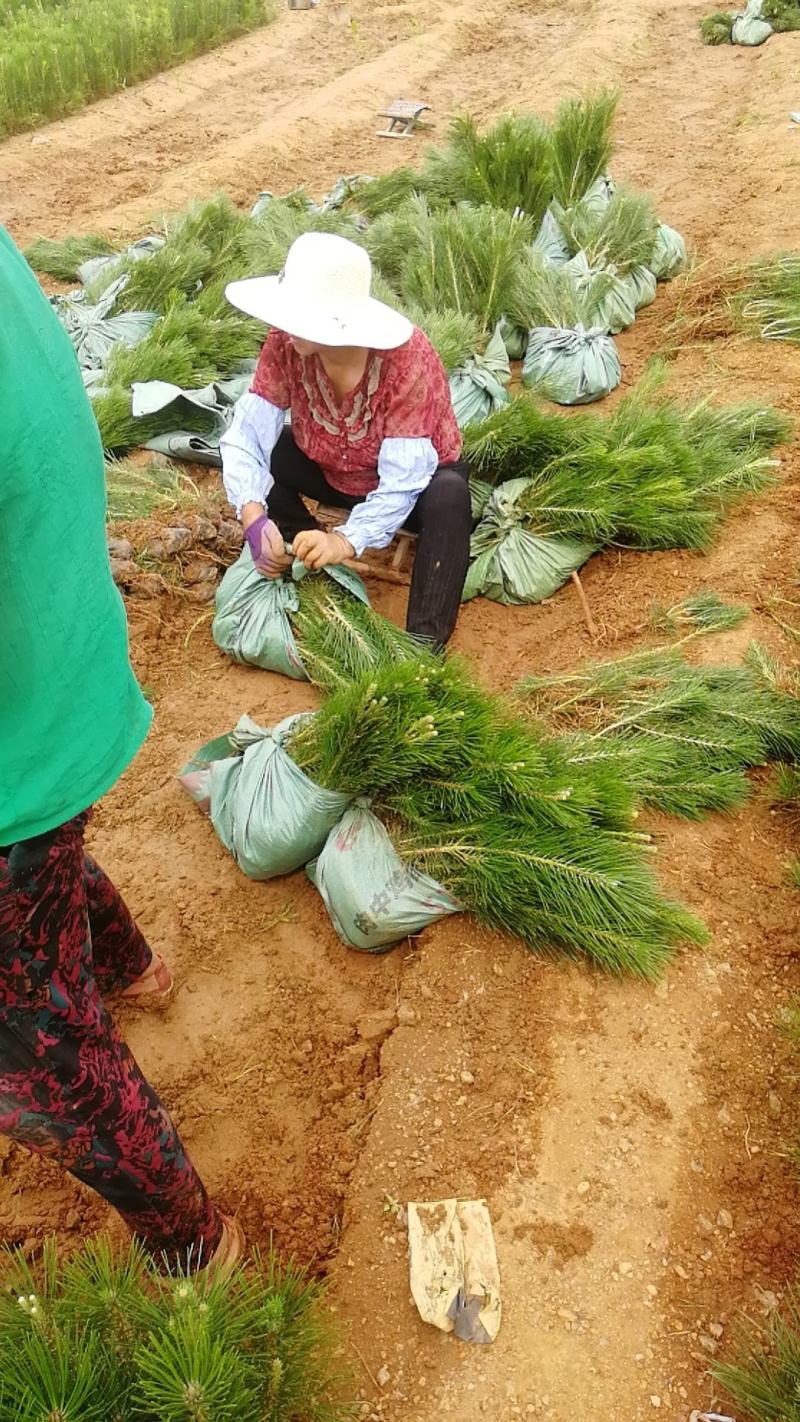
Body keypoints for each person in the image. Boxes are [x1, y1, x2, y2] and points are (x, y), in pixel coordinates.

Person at [0, 227, 241, 1271]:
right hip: (58, 665)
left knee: (29, 1042)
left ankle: (195, 1242)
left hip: (22, 725)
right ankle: (134, 969)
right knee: (40, 870)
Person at [220, 232, 473, 646]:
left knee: (449, 496)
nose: (287, 327)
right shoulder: (286, 344)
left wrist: (345, 541)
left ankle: (424, 645)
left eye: (301, 317)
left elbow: (403, 480)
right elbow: (247, 432)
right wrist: (253, 516)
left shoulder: (406, 360)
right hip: (332, 469)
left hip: (413, 487)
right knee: (276, 451)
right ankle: (300, 549)